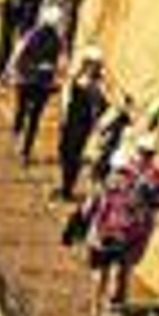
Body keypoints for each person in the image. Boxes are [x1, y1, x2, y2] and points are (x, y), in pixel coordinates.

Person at [86, 147, 155, 316]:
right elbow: (141, 213)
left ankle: (94, 307)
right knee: (114, 271)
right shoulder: (135, 187)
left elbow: (89, 207)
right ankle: (109, 308)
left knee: (98, 272)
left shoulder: (104, 183)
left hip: (100, 233)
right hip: (121, 235)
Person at [8, 4, 67, 163]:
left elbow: (18, 54)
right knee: (33, 117)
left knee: (24, 111)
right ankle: (24, 148)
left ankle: (20, 139)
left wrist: (13, 72)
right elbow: (61, 63)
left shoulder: (33, 34)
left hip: (28, 80)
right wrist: (54, 75)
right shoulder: (56, 40)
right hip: (40, 82)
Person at [56, 45, 109, 200]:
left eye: (95, 64)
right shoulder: (78, 78)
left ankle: (67, 189)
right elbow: (67, 97)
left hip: (82, 125)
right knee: (64, 151)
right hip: (70, 120)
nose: (92, 67)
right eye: (90, 63)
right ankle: (65, 186)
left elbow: (99, 106)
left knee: (73, 155)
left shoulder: (97, 85)